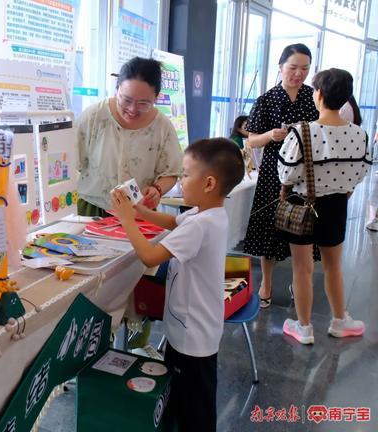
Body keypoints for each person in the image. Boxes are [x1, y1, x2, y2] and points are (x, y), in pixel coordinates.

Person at [110, 138, 244, 432]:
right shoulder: (208, 213)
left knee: (195, 408)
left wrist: (126, 221)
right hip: (193, 327)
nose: (180, 181)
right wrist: (141, 213)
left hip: (192, 335)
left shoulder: (199, 225)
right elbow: (173, 222)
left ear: (208, 183)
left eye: (185, 174)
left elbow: (148, 256)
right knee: (186, 397)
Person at [278, 68, 371, 344]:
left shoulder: (301, 131)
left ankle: (304, 327)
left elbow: (285, 175)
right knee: (333, 267)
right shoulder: (360, 134)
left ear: (318, 95)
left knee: (302, 268)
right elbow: (361, 172)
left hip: (301, 204)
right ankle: (340, 320)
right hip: (336, 205)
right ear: (346, 98)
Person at [242, 43, 320, 309]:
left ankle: (300, 281)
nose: (299, 73)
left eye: (305, 68)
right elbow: (252, 141)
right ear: (280, 67)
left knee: (303, 230)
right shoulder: (266, 99)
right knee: (270, 231)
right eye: (293, 67)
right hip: (274, 174)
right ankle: (266, 282)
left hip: (305, 175)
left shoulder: (313, 97)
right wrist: (270, 136)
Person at [76, 56, 183, 217]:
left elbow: (171, 171)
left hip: (140, 212)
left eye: (143, 103)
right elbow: (72, 162)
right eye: (126, 100)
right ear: (117, 89)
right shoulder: (95, 116)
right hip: (94, 208)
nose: (133, 109)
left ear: (156, 97)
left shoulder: (162, 126)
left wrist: (157, 190)